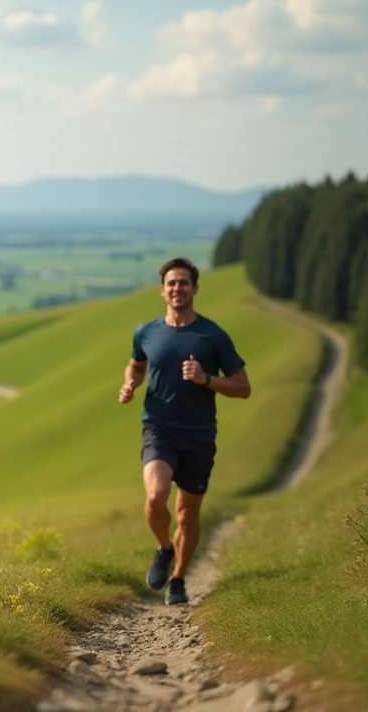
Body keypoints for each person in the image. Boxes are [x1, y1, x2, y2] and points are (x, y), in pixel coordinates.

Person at [118, 258, 250, 605]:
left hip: (199, 435)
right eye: (171, 283)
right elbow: (136, 365)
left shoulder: (212, 336)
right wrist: (130, 385)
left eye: (184, 283)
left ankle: (178, 579)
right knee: (154, 496)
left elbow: (243, 386)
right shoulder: (145, 332)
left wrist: (206, 378)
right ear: (162, 291)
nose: (178, 288)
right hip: (158, 428)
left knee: (187, 516)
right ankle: (164, 549)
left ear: (195, 289)